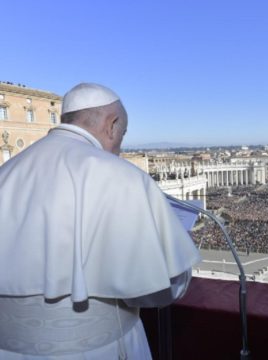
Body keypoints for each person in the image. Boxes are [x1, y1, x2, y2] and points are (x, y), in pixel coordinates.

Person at [0, 83, 201, 359]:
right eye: (122, 134)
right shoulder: (123, 177)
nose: (119, 146)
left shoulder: (5, 173)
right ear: (113, 124)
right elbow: (163, 287)